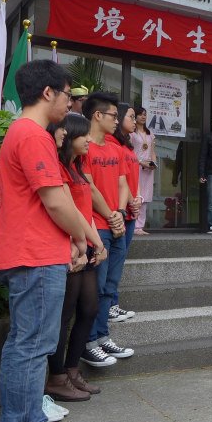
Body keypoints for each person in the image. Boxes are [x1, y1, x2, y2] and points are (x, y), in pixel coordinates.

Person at [0, 59, 86, 422]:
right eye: (66, 94)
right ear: (48, 93)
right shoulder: (33, 134)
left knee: (24, 342)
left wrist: (78, 238)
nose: (70, 103)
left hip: (28, 251)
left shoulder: (26, 132)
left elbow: (58, 196)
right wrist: (81, 237)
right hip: (34, 253)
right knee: (33, 345)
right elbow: (56, 201)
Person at [45, 115, 108, 403]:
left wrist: (97, 245)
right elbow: (67, 211)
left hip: (84, 245)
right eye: (83, 136)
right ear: (68, 137)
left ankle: (71, 370)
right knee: (65, 315)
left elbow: (85, 211)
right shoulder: (57, 167)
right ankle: (56, 376)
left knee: (90, 308)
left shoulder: (78, 167)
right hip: (70, 248)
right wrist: (86, 244)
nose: (89, 140)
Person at [81, 92, 135, 367]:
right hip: (97, 227)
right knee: (97, 287)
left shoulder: (115, 149)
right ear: (97, 116)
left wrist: (121, 213)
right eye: (114, 115)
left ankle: (103, 337)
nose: (117, 120)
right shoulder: (84, 147)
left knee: (110, 287)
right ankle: (88, 342)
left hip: (116, 225)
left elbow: (123, 184)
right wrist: (110, 215)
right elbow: (88, 187)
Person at [111, 103, 140, 322]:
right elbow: (119, 180)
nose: (134, 119)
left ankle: (113, 303)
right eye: (130, 116)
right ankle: (110, 305)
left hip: (130, 210)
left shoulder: (128, 145)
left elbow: (132, 177)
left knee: (119, 261)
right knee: (114, 262)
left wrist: (136, 199)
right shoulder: (113, 144)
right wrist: (131, 200)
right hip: (120, 210)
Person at [129, 106, 156, 234]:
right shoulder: (132, 133)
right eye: (140, 114)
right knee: (136, 193)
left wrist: (153, 163)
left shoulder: (150, 133)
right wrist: (140, 162)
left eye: (145, 114)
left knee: (146, 195)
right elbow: (129, 151)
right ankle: (132, 225)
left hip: (148, 169)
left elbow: (152, 151)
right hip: (136, 166)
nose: (143, 117)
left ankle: (140, 226)